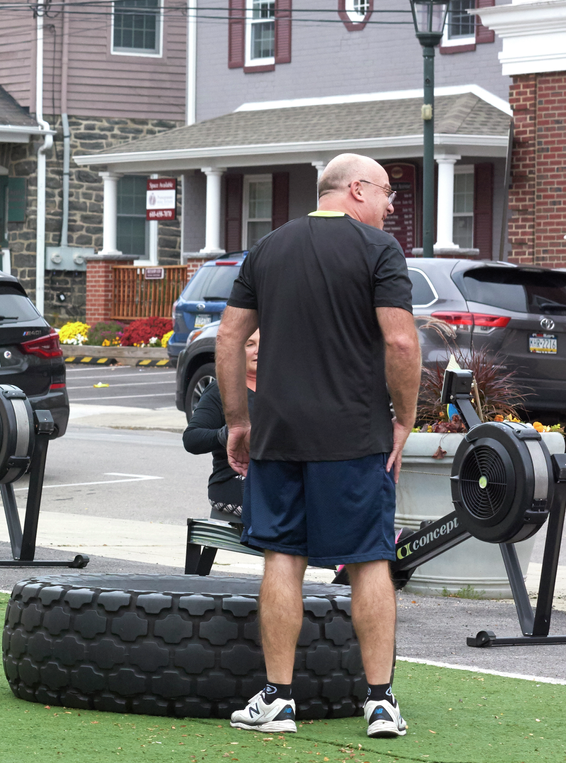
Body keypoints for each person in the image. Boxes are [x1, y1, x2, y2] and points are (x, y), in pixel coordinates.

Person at [217, 152, 418, 739]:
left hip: (278, 433)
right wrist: (404, 419)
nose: (389, 206)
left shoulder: (268, 248)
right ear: (356, 189)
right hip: (355, 434)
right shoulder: (379, 250)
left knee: (283, 557)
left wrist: (238, 420)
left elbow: (229, 336)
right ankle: (380, 703)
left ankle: (277, 700)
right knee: (368, 560)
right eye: (385, 193)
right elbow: (402, 343)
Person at [183, 330, 257, 521]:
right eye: (250, 345)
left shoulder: (286, 389)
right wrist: (229, 434)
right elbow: (192, 439)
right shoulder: (221, 390)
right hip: (233, 482)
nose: (258, 351)